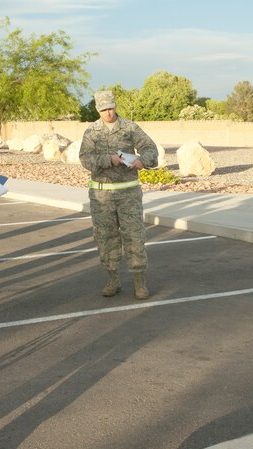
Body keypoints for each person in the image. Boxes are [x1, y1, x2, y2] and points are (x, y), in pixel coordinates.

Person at [79, 89, 158, 300]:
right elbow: (86, 159)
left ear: (115, 106)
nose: (108, 113)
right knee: (106, 238)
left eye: (111, 108)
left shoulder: (129, 127)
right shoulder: (91, 132)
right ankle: (112, 279)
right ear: (98, 109)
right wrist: (108, 160)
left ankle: (139, 282)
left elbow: (150, 148)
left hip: (128, 194)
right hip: (102, 196)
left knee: (134, 236)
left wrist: (144, 161)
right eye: (104, 109)